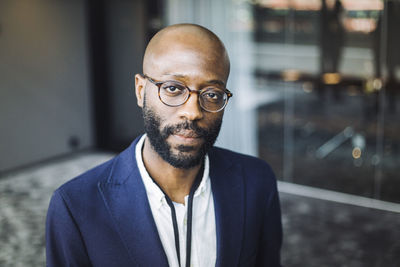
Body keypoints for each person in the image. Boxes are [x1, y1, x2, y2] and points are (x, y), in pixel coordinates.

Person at [46, 23, 282, 267]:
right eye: (173, 88)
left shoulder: (257, 181)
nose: (192, 112)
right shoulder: (75, 206)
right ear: (140, 91)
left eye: (212, 93)